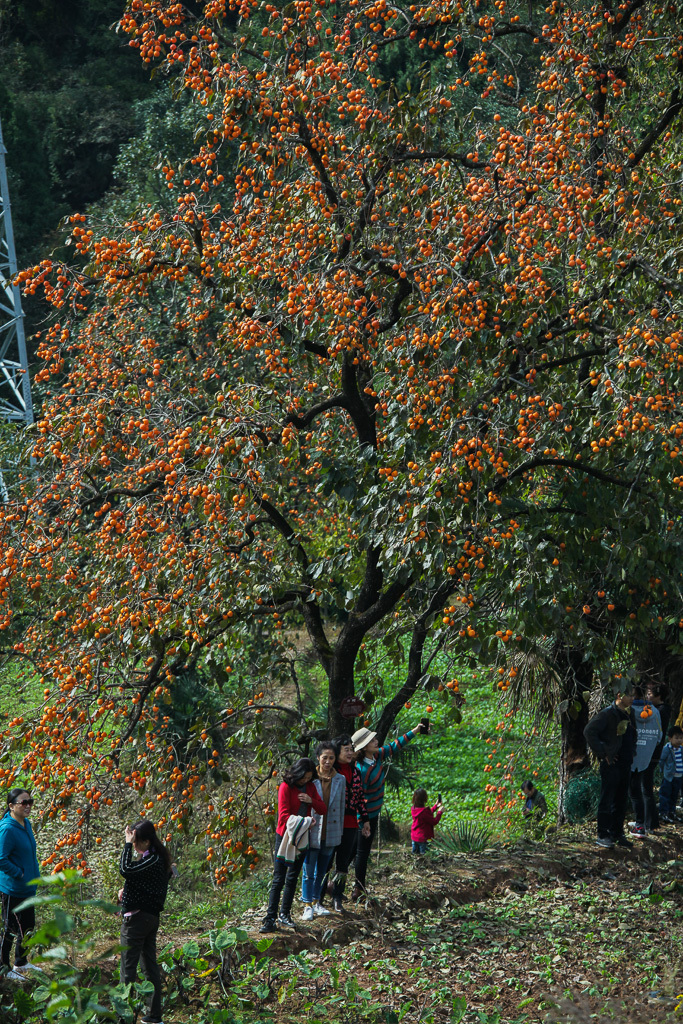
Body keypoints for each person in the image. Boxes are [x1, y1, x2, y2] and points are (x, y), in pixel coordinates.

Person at [351, 722, 427, 899]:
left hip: (373, 813)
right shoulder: (362, 769)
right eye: (372, 740)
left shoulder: (376, 756)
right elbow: (358, 798)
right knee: (360, 853)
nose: (376, 741)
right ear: (364, 747)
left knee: (358, 851)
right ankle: (357, 888)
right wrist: (364, 822)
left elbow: (394, 746)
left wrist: (415, 730)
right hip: (364, 817)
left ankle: (342, 884)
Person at [260, 758, 325, 932]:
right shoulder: (286, 787)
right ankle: (270, 918)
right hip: (285, 836)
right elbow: (283, 816)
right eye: (303, 778)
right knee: (279, 878)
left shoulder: (311, 788)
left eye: (308, 778)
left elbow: (323, 809)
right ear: (297, 773)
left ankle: (285, 915)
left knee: (293, 876)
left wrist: (311, 801)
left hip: (303, 836)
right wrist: (305, 820)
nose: (305, 781)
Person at [118, 820, 172, 1024]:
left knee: (128, 969)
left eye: (136, 841)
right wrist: (126, 891)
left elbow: (125, 869)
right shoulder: (155, 859)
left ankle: (124, 1018)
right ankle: (153, 1015)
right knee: (149, 967)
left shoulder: (153, 860)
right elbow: (144, 883)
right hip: (148, 919)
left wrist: (126, 844)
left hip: (138, 921)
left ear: (147, 841)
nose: (134, 845)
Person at [584, 688, 637, 849]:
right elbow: (589, 731)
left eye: (634, 695)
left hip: (626, 762)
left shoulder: (630, 713)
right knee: (607, 798)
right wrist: (603, 752)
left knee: (620, 799)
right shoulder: (607, 714)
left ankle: (617, 833)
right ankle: (603, 834)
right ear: (619, 695)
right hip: (611, 763)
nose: (633, 698)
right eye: (630, 695)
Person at [301, 742, 346, 921]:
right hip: (312, 829)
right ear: (318, 758)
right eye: (324, 758)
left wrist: (340, 830)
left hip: (331, 829)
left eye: (331, 758)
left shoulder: (339, 779)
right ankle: (307, 904)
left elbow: (341, 805)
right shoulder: (311, 778)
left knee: (322, 870)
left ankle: (317, 901)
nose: (328, 762)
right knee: (308, 870)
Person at [0, 788, 41, 981]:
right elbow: (1, 859)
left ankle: (21, 962)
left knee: (28, 926)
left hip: (28, 886)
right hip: (13, 888)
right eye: (23, 802)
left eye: (30, 802)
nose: (28, 806)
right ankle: (3, 968)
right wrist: (19, 873)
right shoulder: (7, 828)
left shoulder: (26, 824)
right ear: (11, 806)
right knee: (10, 928)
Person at [325, 735, 369, 913]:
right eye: (346, 750)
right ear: (337, 751)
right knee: (327, 860)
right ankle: (319, 895)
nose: (350, 752)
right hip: (333, 821)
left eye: (352, 749)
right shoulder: (331, 771)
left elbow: (359, 799)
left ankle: (337, 897)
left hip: (351, 823)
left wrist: (364, 820)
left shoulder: (356, 772)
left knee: (343, 863)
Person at [628, 689, 662, 838]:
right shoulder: (655, 712)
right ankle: (640, 824)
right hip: (645, 758)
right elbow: (659, 736)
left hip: (627, 758)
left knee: (628, 792)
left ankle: (635, 825)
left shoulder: (626, 711)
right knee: (638, 792)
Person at [644, 683, 671, 830]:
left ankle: (649, 822)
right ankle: (651, 821)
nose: (647, 697)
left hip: (652, 753)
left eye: (649, 694)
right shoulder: (661, 710)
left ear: (658, 696)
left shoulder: (660, 711)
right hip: (652, 753)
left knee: (646, 788)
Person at [658, 725, 683, 823]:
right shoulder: (667, 749)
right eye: (676, 738)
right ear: (670, 738)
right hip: (669, 777)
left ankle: (672, 812)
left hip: (679, 776)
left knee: (674, 795)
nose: (679, 740)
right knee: (665, 794)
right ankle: (663, 812)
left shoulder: (681, 749)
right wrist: (663, 771)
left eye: (680, 738)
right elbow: (661, 761)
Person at [410, 789, 443, 853]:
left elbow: (426, 816)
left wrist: (436, 806)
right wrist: (440, 812)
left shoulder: (414, 809)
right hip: (423, 838)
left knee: (415, 856)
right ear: (425, 798)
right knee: (424, 857)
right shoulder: (424, 812)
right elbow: (434, 821)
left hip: (414, 837)